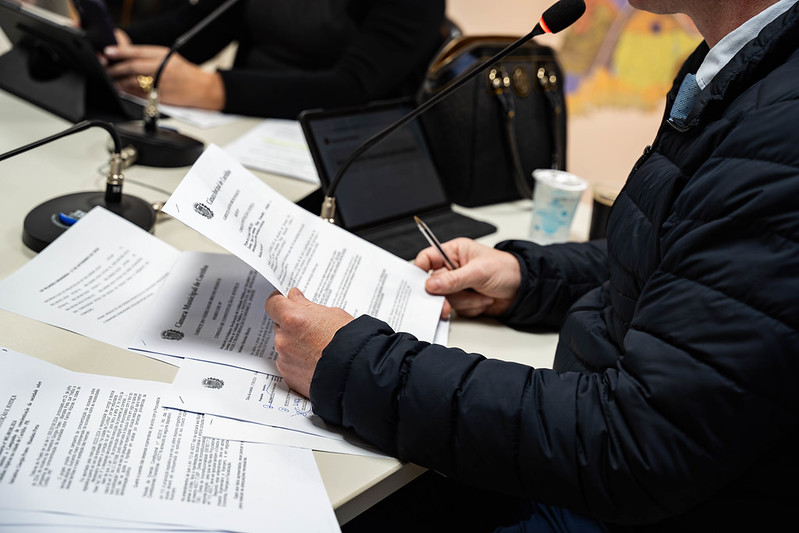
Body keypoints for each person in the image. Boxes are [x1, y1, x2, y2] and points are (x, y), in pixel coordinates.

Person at [265, 0, 799, 530]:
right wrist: (530, 279)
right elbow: (683, 261)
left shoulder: (780, 126)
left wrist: (355, 366)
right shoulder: (745, 66)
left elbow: (639, 443)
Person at [100, 0, 446, 118]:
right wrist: (121, 40)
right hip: (241, 127)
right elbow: (200, 26)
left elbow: (353, 87)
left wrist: (210, 88)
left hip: (335, 148)